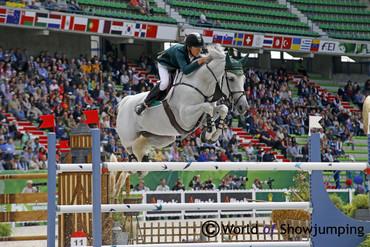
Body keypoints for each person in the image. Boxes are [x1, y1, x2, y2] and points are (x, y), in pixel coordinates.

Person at [134, 33, 210, 115]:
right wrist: (201, 61)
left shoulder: (198, 53)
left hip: (177, 67)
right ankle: (144, 103)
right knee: (164, 84)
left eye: (200, 47)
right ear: (188, 47)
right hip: (165, 65)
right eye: (197, 48)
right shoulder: (179, 51)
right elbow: (185, 70)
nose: (199, 50)